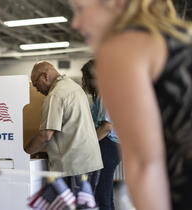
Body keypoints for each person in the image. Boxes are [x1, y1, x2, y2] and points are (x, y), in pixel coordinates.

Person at [70, 0, 192, 209]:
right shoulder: (182, 37)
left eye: (80, 10)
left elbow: (145, 164)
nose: (75, 23)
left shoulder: (122, 50)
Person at [25, 61, 103, 193]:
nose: (37, 90)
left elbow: (46, 135)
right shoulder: (74, 87)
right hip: (91, 163)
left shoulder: (55, 95)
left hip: (74, 167)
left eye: (36, 85)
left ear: (45, 76)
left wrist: (25, 153)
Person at [81, 60, 121, 210]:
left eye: (85, 78)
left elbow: (106, 126)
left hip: (108, 144)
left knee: (102, 193)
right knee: (105, 192)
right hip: (110, 145)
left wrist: (89, 144)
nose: (85, 82)